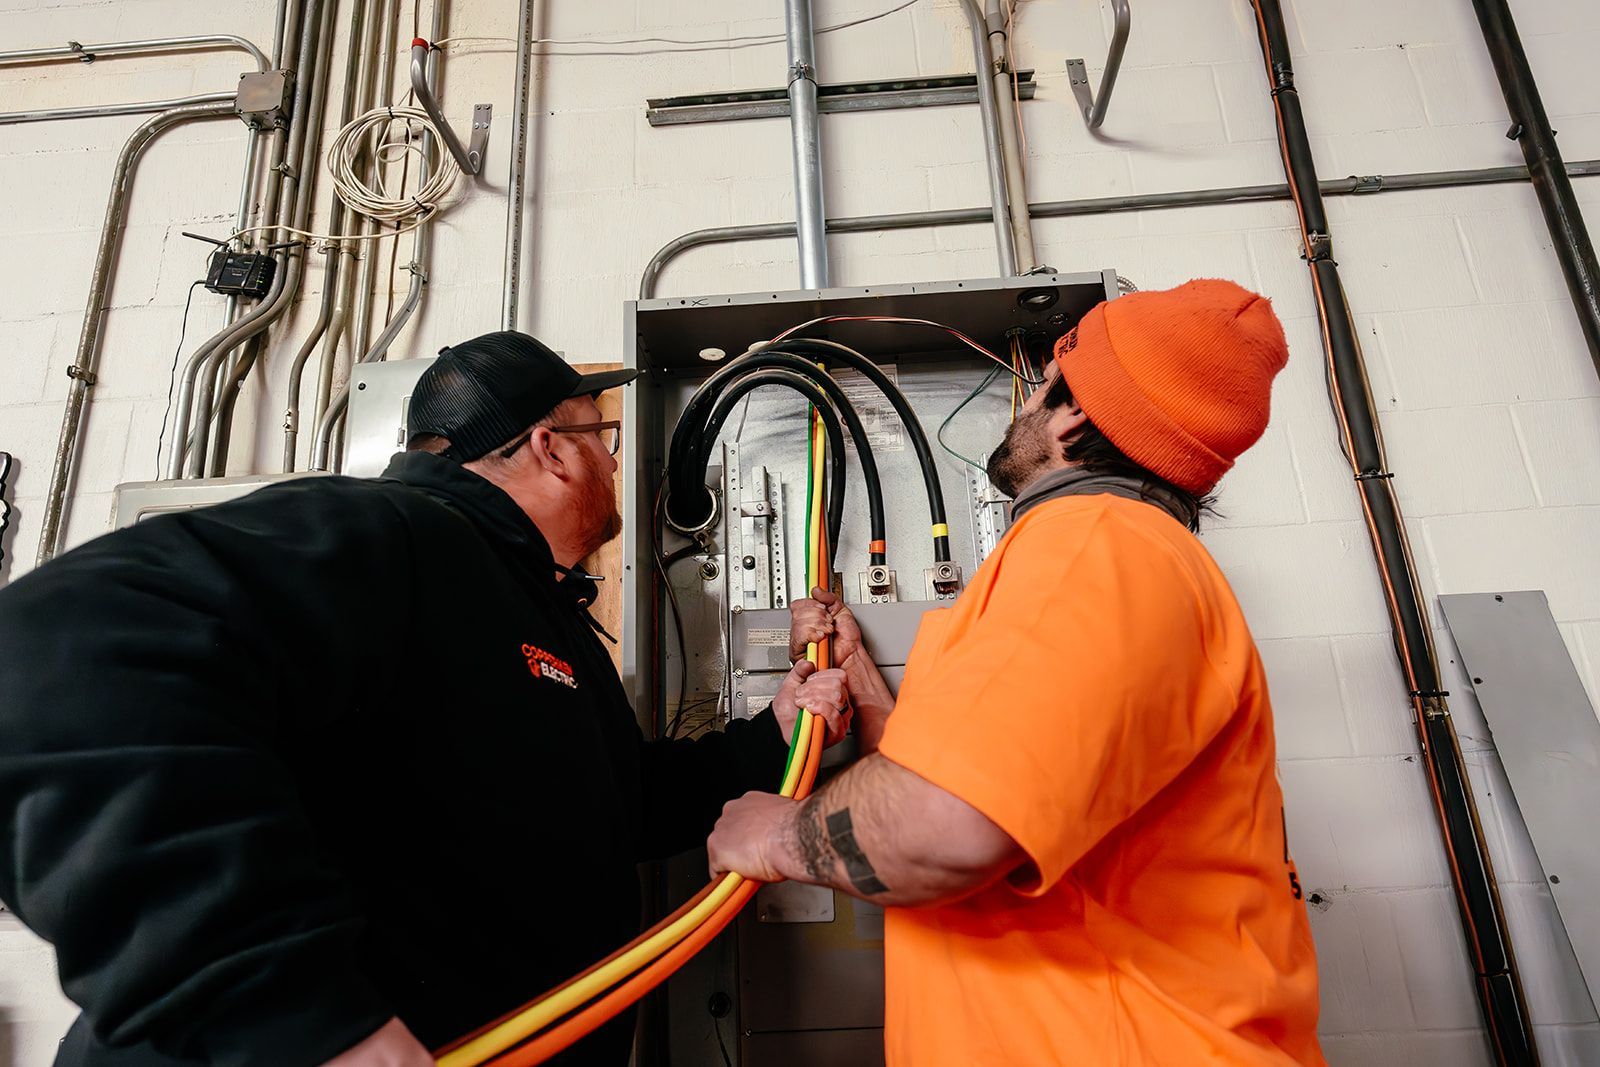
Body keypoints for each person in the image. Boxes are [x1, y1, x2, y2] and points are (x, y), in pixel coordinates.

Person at [0, 332, 850, 1067]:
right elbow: (55, 653)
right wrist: (292, 1017)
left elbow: (616, 806)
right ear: (553, 448)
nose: (613, 461)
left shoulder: (543, 616)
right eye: (605, 436)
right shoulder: (393, 533)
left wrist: (773, 734)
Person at [707, 279, 1328, 1065]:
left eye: (1044, 382)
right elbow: (982, 790)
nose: (1026, 399)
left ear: (1075, 415)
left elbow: (950, 824)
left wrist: (776, 834)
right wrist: (858, 672)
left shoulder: (1093, 546)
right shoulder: (1135, 557)